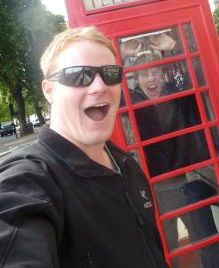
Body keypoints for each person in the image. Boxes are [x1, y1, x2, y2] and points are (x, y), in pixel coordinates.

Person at [0, 26, 168, 268]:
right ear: (49, 90)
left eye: (110, 73)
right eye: (79, 75)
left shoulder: (126, 164)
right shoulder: (27, 182)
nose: (100, 86)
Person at [129, 52, 219, 268]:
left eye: (155, 72)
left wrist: (173, 49)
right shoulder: (132, 103)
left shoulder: (179, 97)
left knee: (206, 241)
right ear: (136, 80)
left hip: (187, 182)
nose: (151, 79)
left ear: (164, 74)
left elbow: (198, 75)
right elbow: (110, 93)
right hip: (155, 191)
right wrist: (122, 52)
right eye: (144, 75)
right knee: (165, 250)